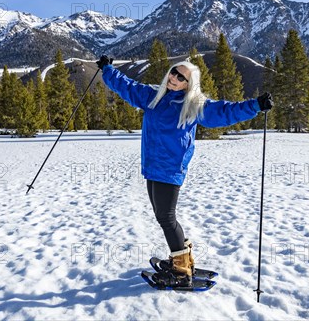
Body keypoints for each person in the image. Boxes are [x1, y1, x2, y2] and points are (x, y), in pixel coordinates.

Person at [96, 55, 273, 287]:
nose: (174, 78)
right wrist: (108, 69)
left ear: (189, 84)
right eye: (173, 72)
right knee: (163, 216)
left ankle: (181, 270)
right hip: (151, 166)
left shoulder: (193, 105)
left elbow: (225, 112)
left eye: (181, 77)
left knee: (166, 217)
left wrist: (255, 105)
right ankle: (183, 257)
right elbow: (126, 86)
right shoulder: (153, 97)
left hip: (170, 168)